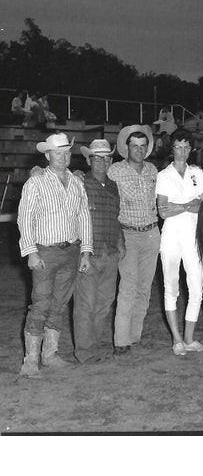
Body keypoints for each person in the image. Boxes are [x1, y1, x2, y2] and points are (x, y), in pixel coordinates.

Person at [17, 133, 93, 377]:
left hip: (70, 250)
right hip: (45, 252)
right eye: (58, 153)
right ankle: (31, 360)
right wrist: (31, 252)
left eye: (67, 152)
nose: (63, 157)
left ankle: (50, 355)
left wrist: (86, 251)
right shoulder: (36, 182)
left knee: (59, 304)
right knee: (40, 305)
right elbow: (25, 218)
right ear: (48, 155)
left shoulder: (76, 182)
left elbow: (84, 217)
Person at [156, 129, 203, 355]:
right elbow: (163, 212)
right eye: (178, 147)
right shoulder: (164, 175)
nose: (182, 152)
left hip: (193, 235)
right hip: (171, 236)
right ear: (172, 149)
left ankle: (189, 338)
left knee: (196, 288)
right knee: (171, 287)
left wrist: (180, 206)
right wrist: (191, 204)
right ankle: (177, 339)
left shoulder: (197, 173)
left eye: (186, 147)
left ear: (191, 149)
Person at [108, 124, 160, 357]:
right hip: (127, 234)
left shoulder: (153, 171)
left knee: (144, 287)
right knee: (128, 287)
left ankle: (134, 335)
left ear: (147, 148)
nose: (138, 150)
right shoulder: (115, 171)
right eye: (134, 146)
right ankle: (121, 340)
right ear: (126, 148)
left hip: (151, 233)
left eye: (142, 146)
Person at [73, 139, 125, 364]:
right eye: (97, 157)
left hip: (111, 251)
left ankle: (91, 344)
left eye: (106, 158)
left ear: (111, 161)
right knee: (86, 304)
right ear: (88, 160)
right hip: (88, 252)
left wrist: (121, 242)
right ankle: (85, 352)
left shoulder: (113, 186)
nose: (102, 162)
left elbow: (116, 217)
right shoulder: (79, 182)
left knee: (104, 302)